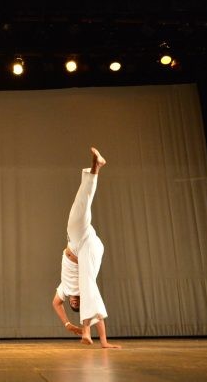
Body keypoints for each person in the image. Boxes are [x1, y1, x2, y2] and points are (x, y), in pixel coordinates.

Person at [52, 147, 120, 348]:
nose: (72, 303)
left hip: (79, 239)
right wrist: (105, 342)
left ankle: (95, 167)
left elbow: (55, 303)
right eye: (76, 304)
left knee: (80, 206)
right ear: (78, 301)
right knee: (89, 285)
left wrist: (67, 324)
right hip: (91, 250)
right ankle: (91, 334)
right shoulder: (84, 289)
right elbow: (95, 306)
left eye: (72, 305)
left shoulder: (64, 289)